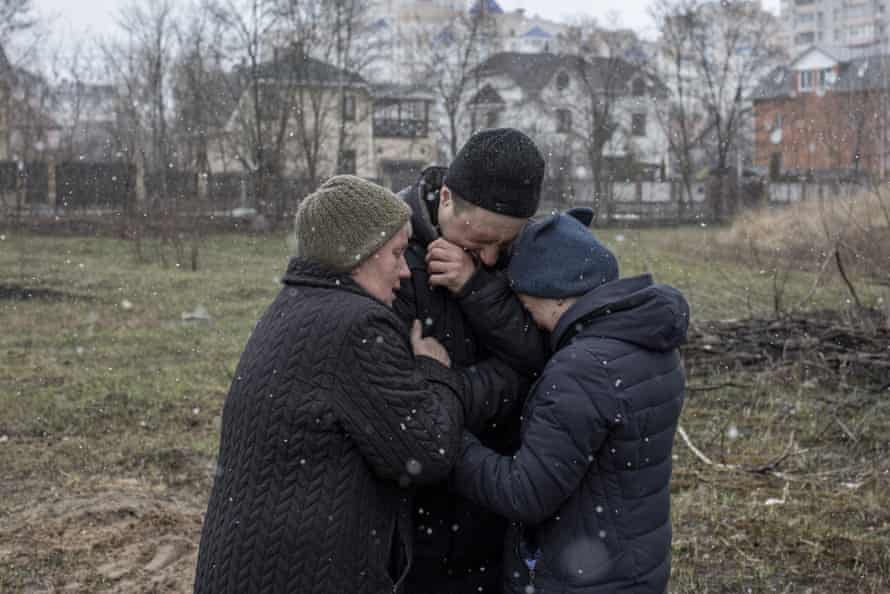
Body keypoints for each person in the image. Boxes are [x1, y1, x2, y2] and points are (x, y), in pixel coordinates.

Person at [194, 175, 468, 594]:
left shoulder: (292, 308)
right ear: (357, 255)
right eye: (396, 253)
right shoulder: (357, 325)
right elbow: (428, 452)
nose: (404, 271)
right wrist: (435, 371)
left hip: (249, 570)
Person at [453, 208, 689, 594]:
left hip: (582, 580)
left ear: (557, 294)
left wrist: (448, 437)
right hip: (633, 565)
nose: (536, 323)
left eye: (529, 308)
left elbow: (524, 493)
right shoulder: (649, 342)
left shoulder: (582, 369)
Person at [394, 128, 550, 593]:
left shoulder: (519, 257)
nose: (490, 255)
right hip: (410, 513)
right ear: (445, 199)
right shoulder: (391, 252)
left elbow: (536, 364)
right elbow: (395, 395)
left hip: (492, 507)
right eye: (480, 239)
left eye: (504, 245)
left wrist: (478, 290)